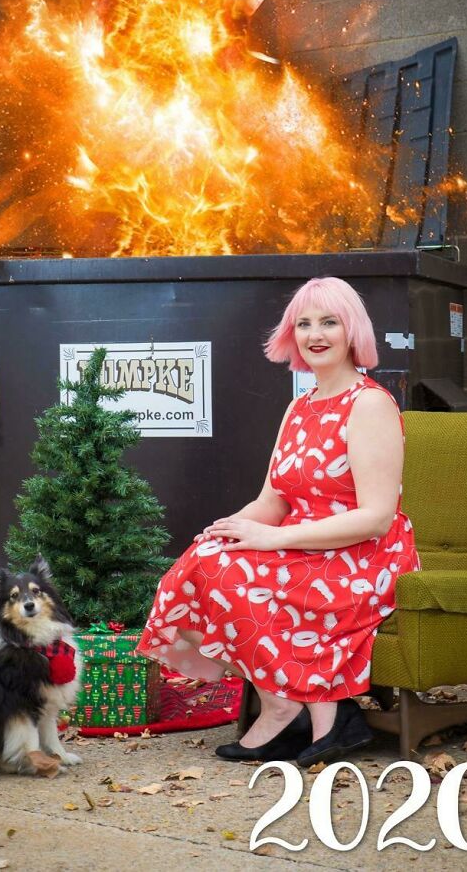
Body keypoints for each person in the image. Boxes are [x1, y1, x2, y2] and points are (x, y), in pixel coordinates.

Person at [136, 276, 421, 766]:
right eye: (304, 323)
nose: (316, 334)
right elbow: (272, 498)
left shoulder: (370, 404)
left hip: (361, 556)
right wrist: (229, 528)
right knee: (201, 563)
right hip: (300, 542)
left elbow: (376, 519)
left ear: (352, 331)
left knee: (239, 573)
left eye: (329, 322)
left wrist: (271, 538)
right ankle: (289, 704)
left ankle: (312, 712)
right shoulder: (299, 406)